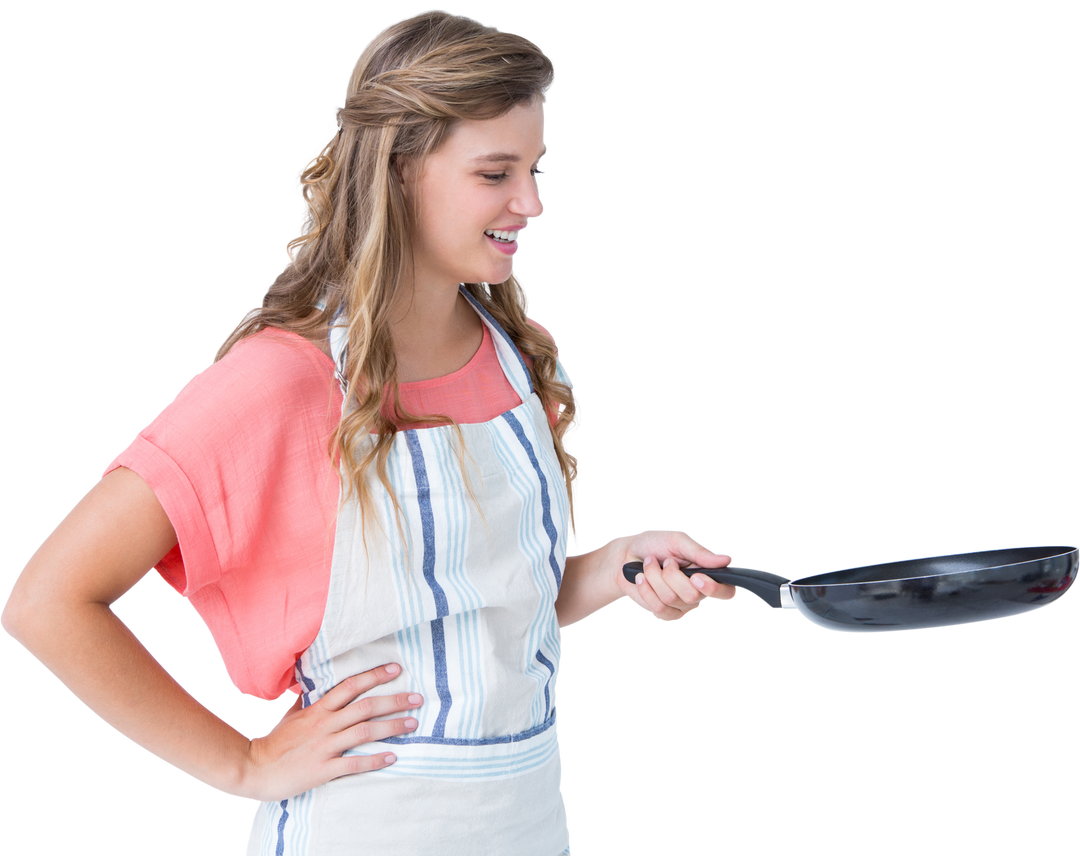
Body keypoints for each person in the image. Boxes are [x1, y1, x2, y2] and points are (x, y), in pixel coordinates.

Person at [2, 7, 737, 854]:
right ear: (398, 172)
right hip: (364, 828)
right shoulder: (281, 382)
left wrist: (618, 567)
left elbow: (484, 613)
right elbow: (46, 603)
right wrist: (242, 764)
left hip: (530, 821)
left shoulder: (517, 356)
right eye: (495, 172)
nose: (531, 203)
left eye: (537, 169)